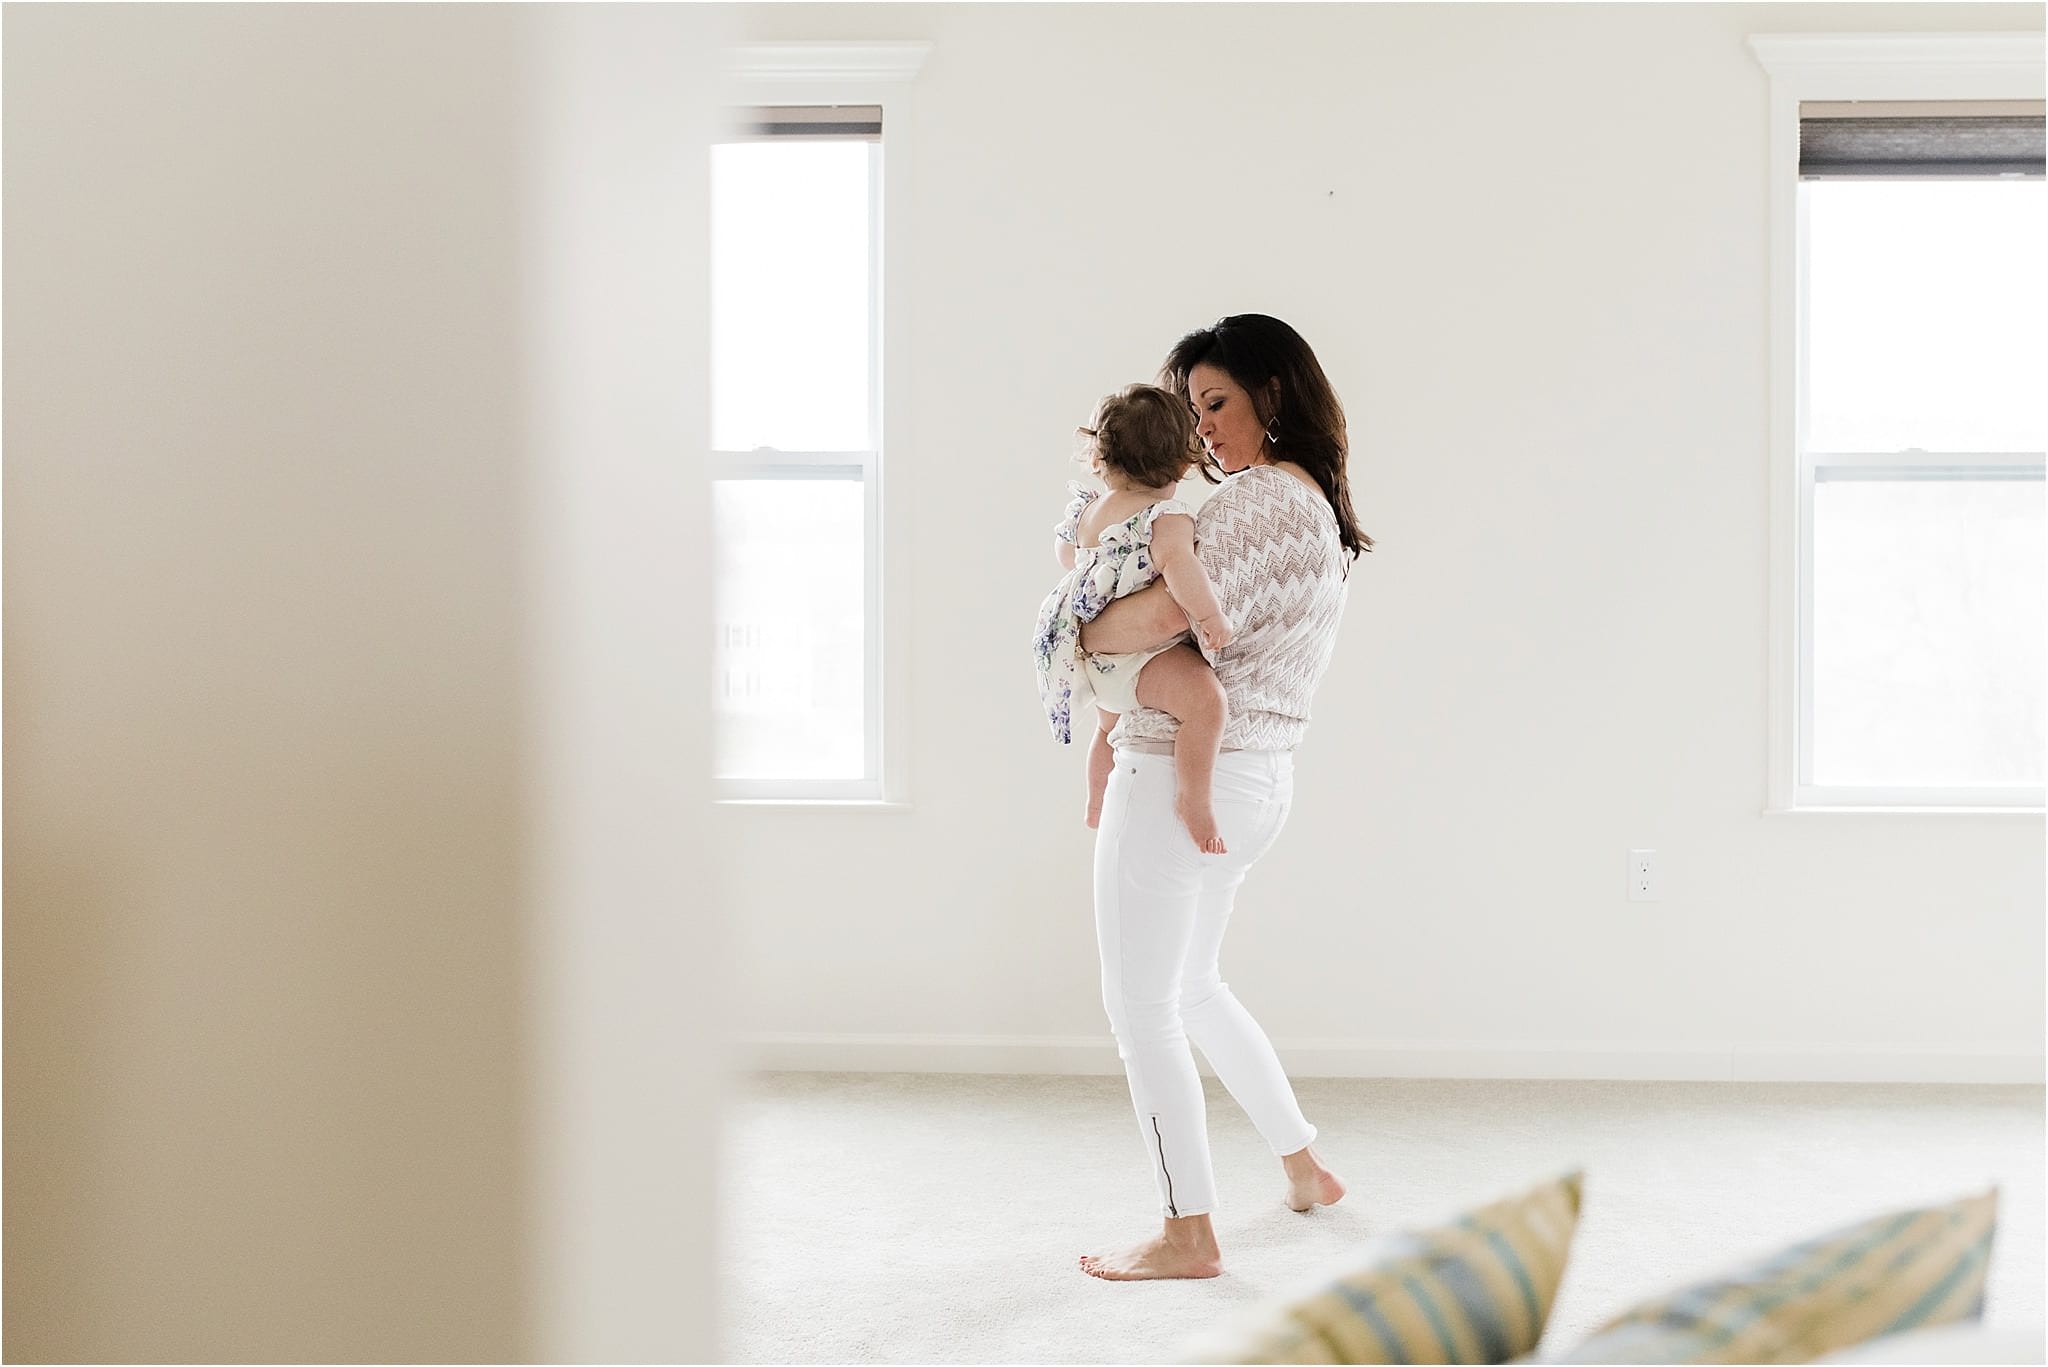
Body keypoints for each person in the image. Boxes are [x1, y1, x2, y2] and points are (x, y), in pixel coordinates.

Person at [1075, 314, 1373, 1282]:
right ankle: (1303, 1164)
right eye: (1192, 406)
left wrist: (1069, 631)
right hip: (1252, 776)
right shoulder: (1307, 504)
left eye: (1217, 402)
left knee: (1138, 1007)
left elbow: (1157, 616)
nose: (1201, 427)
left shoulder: (1255, 505)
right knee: (1192, 986)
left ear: (1273, 397)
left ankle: (1185, 1231)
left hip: (1179, 777)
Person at [1033, 384, 1236, 852]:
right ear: (1185, 461)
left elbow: (1069, 559)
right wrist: (1210, 617)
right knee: (1207, 704)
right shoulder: (1165, 519)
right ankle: (1195, 800)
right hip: (1142, 657)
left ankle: (1096, 804)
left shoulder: (1089, 512)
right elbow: (1182, 570)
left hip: (1092, 660)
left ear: (1100, 459)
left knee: (1108, 729)